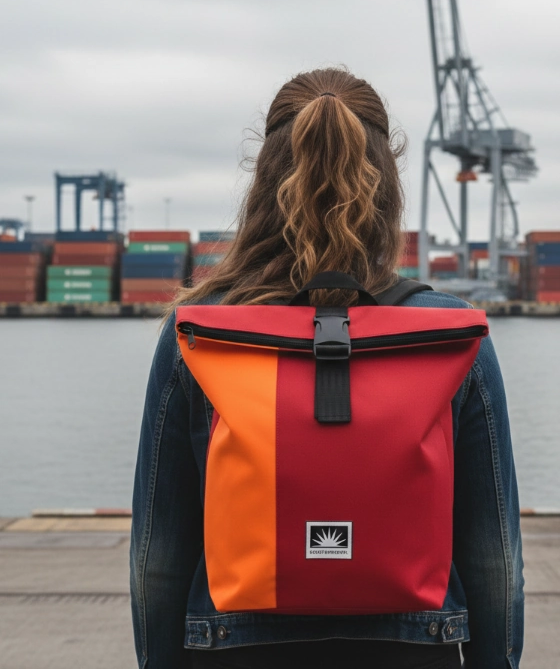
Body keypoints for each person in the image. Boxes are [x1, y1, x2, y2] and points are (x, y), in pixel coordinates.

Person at [130, 68, 524, 669]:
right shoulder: (450, 334)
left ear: (263, 182)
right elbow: (496, 558)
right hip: (416, 649)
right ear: (388, 186)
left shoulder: (200, 333)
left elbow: (157, 560)